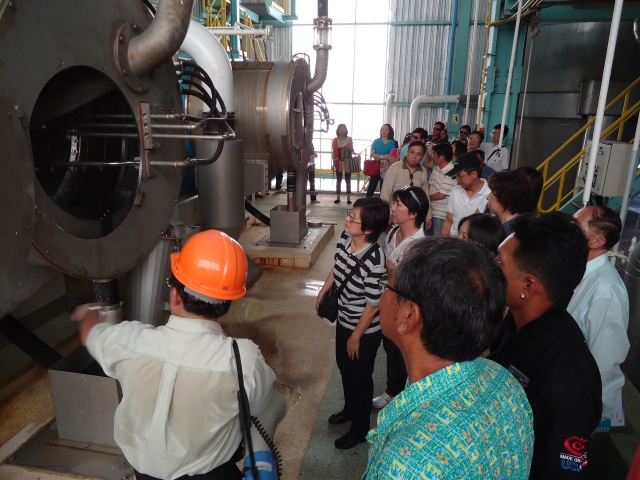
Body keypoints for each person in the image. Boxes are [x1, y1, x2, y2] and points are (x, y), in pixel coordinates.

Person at [71, 230, 276, 480]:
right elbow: (259, 405)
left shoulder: (127, 340)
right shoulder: (243, 358)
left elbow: (89, 334)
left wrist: (91, 310)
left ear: (175, 294)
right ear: (228, 303)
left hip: (144, 475)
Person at [363, 237, 534, 479]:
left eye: (387, 284)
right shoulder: (502, 379)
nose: (382, 294)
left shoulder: (405, 465)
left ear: (408, 315)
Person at [490, 213, 602, 478]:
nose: (491, 267)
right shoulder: (516, 322)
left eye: (499, 263)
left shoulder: (568, 382)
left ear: (528, 286)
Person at [316, 197, 390, 449]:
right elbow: (337, 268)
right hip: (345, 320)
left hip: (365, 330)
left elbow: (373, 305)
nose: (347, 219)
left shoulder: (375, 261)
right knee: (344, 366)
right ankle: (349, 409)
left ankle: (360, 429)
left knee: (360, 376)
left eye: (353, 217)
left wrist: (356, 337)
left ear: (368, 229)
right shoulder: (344, 239)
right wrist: (323, 292)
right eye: (351, 213)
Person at [568, 206, 629, 426]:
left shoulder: (605, 290)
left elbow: (605, 361)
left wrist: (594, 416)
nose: (568, 227)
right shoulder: (576, 269)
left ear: (597, 242)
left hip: (577, 405)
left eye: (576, 225)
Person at [372, 187, 429, 409]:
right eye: (394, 203)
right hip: (388, 300)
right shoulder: (394, 232)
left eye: (398, 205)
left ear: (413, 213)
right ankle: (393, 390)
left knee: (402, 352)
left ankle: (402, 395)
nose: (393, 209)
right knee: (390, 348)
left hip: (404, 305)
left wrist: (389, 267)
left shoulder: (419, 244)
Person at [380, 141, 433, 230]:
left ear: (422, 157)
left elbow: (425, 195)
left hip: (414, 216)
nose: (414, 156)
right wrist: (386, 214)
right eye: (412, 152)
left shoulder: (423, 171)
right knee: (394, 237)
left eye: (419, 154)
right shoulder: (394, 168)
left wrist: (428, 216)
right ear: (407, 152)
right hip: (395, 214)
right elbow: (385, 192)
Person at [440, 152, 491, 237]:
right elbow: (449, 220)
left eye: (460, 177)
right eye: (456, 177)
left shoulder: (490, 195)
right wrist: (441, 241)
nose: (458, 180)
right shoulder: (456, 190)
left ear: (474, 174)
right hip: (454, 241)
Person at [487, 170, 538, 236]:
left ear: (505, 197)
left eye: (492, 193)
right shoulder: (497, 224)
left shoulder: (516, 234)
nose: (487, 197)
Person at [428, 143, 457, 235]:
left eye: (434, 154)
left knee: (437, 240)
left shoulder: (451, 172)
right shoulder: (437, 167)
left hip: (440, 213)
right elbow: (430, 184)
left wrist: (425, 198)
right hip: (430, 210)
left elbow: (441, 195)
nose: (432, 157)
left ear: (442, 157)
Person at [367, 124, 397, 196]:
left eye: (386, 130)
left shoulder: (392, 142)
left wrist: (379, 156)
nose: (384, 131)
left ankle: (382, 201)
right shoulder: (376, 141)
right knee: (372, 185)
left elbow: (391, 155)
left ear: (389, 132)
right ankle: (367, 200)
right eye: (383, 129)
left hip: (387, 166)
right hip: (376, 165)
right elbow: (372, 153)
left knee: (383, 186)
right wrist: (383, 156)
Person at [332, 123, 354, 204]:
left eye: (343, 128)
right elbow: (334, 152)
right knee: (338, 180)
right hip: (338, 162)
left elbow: (352, 150)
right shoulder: (335, 140)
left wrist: (349, 148)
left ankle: (348, 198)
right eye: (340, 128)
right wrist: (333, 163)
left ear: (346, 130)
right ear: (338, 130)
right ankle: (338, 198)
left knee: (348, 180)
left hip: (347, 162)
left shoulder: (349, 139)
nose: (342, 130)